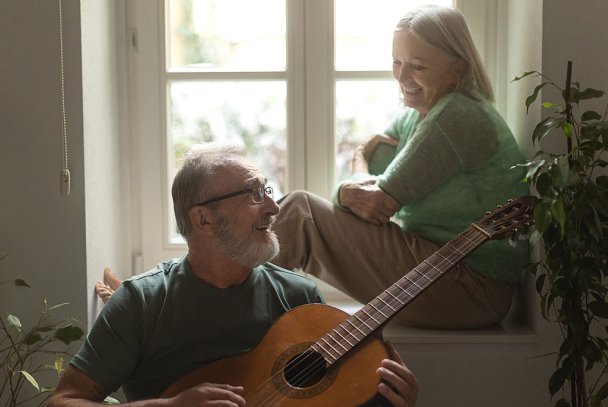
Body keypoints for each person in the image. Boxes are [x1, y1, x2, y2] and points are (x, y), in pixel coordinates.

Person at [49, 145, 418, 406]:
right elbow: (63, 402)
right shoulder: (141, 302)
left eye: (267, 190)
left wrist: (394, 400)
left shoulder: (300, 297)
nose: (274, 207)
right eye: (255, 194)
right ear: (203, 219)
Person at [271, 5, 530, 330]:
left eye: (418, 66)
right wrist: (355, 186)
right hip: (443, 270)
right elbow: (367, 193)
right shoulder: (418, 112)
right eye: (397, 62)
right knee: (300, 217)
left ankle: (210, 299)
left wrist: (355, 168)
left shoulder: (458, 116)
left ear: (458, 69)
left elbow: (375, 203)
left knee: (300, 214)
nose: (402, 77)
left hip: (471, 286)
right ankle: (225, 302)